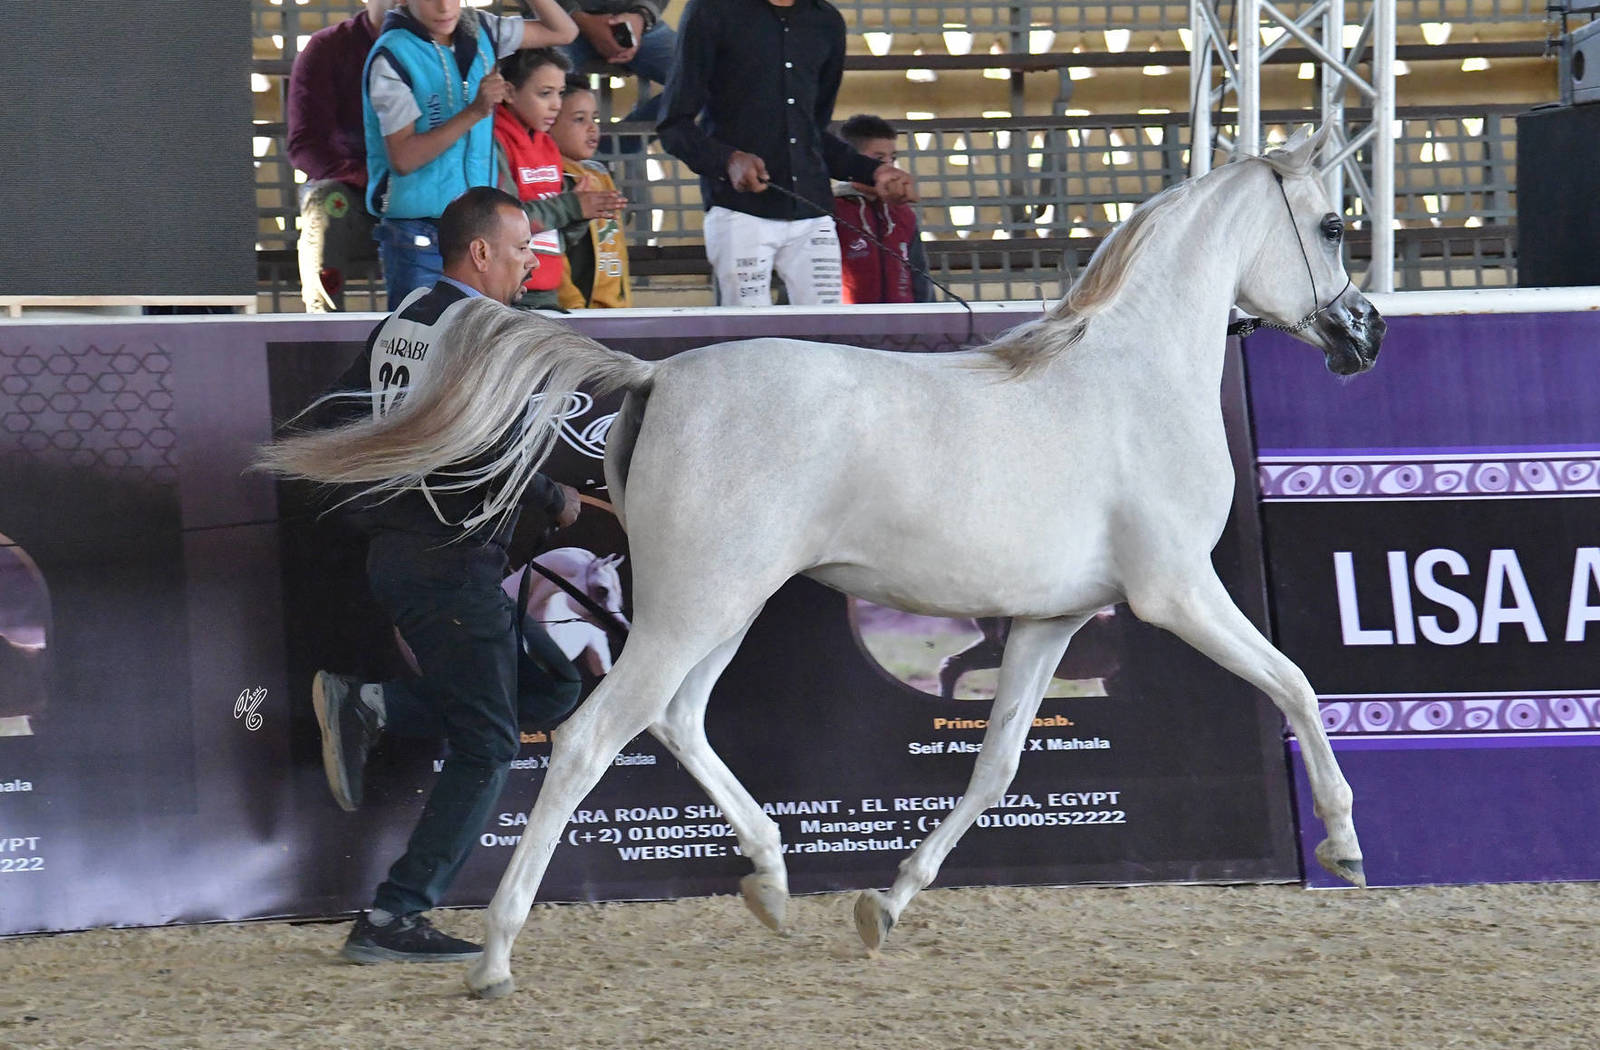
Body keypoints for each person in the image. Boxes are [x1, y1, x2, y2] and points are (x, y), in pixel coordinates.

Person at [259, 187, 584, 964]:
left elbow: (340, 414)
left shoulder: (409, 316)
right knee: (488, 744)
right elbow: (476, 448)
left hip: (414, 558)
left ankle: (371, 705)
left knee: (555, 686)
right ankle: (392, 918)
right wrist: (552, 496)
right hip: (445, 565)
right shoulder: (483, 331)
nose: (530, 263)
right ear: (480, 252)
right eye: (520, 249)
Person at [656, 0, 916, 307]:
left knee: (829, 328)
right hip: (740, 211)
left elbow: (812, 133)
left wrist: (873, 172)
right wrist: (727, 160)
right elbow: (674, 125)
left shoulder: (826, 21)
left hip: (813, 213)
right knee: (748, 331)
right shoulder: (712, 11)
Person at [362, 0, 578, 309]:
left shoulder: (482, 29)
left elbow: (563, 31)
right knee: (424, 331)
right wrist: (475, 111)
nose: (444, 7)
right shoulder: (393, 55)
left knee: (479, 332)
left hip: (477, 227)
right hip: (418, 231)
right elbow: (404, 158)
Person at [492, 49, 627, 310]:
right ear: (509, 92)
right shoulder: (495, 142)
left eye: (560, 93)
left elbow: (558, 239)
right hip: (511, 292)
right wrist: (573, 206)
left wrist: (583, 215)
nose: (556, 104)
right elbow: (504, 223)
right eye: (545, 93)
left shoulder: (547, 146)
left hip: (547, 289)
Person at [286, 0, 399, 312]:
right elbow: (305, 145)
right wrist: (364, 177)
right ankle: (324, 321)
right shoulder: (328, 48)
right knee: (327, 202)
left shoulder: (438, 50)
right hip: (353, 194)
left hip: (423, 190)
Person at [832, 114, 933, 304]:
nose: (888, 167)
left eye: (892, 158)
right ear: (854, 162)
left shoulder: (903, 214)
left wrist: (926, 316)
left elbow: (920, 277)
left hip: (903, 318)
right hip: (849, 319)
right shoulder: (833, 212)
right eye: (879, 159)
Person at [550, 75, 632, 308]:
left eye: (594, 118)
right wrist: (574, 308)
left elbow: (615, 250)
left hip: (613, 312)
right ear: (548, 123)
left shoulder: (599, 175)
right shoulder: (551, 179)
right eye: (579, 119)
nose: (592, 128)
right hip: (578, 313)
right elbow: (552, 255)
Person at [554, 1, 677, 142]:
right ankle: (561, 149)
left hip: (634, 22)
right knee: (543, 79)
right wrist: (579, 17)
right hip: (558, 18)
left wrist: (642, 15)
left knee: (697, 78)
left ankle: (608, 149)